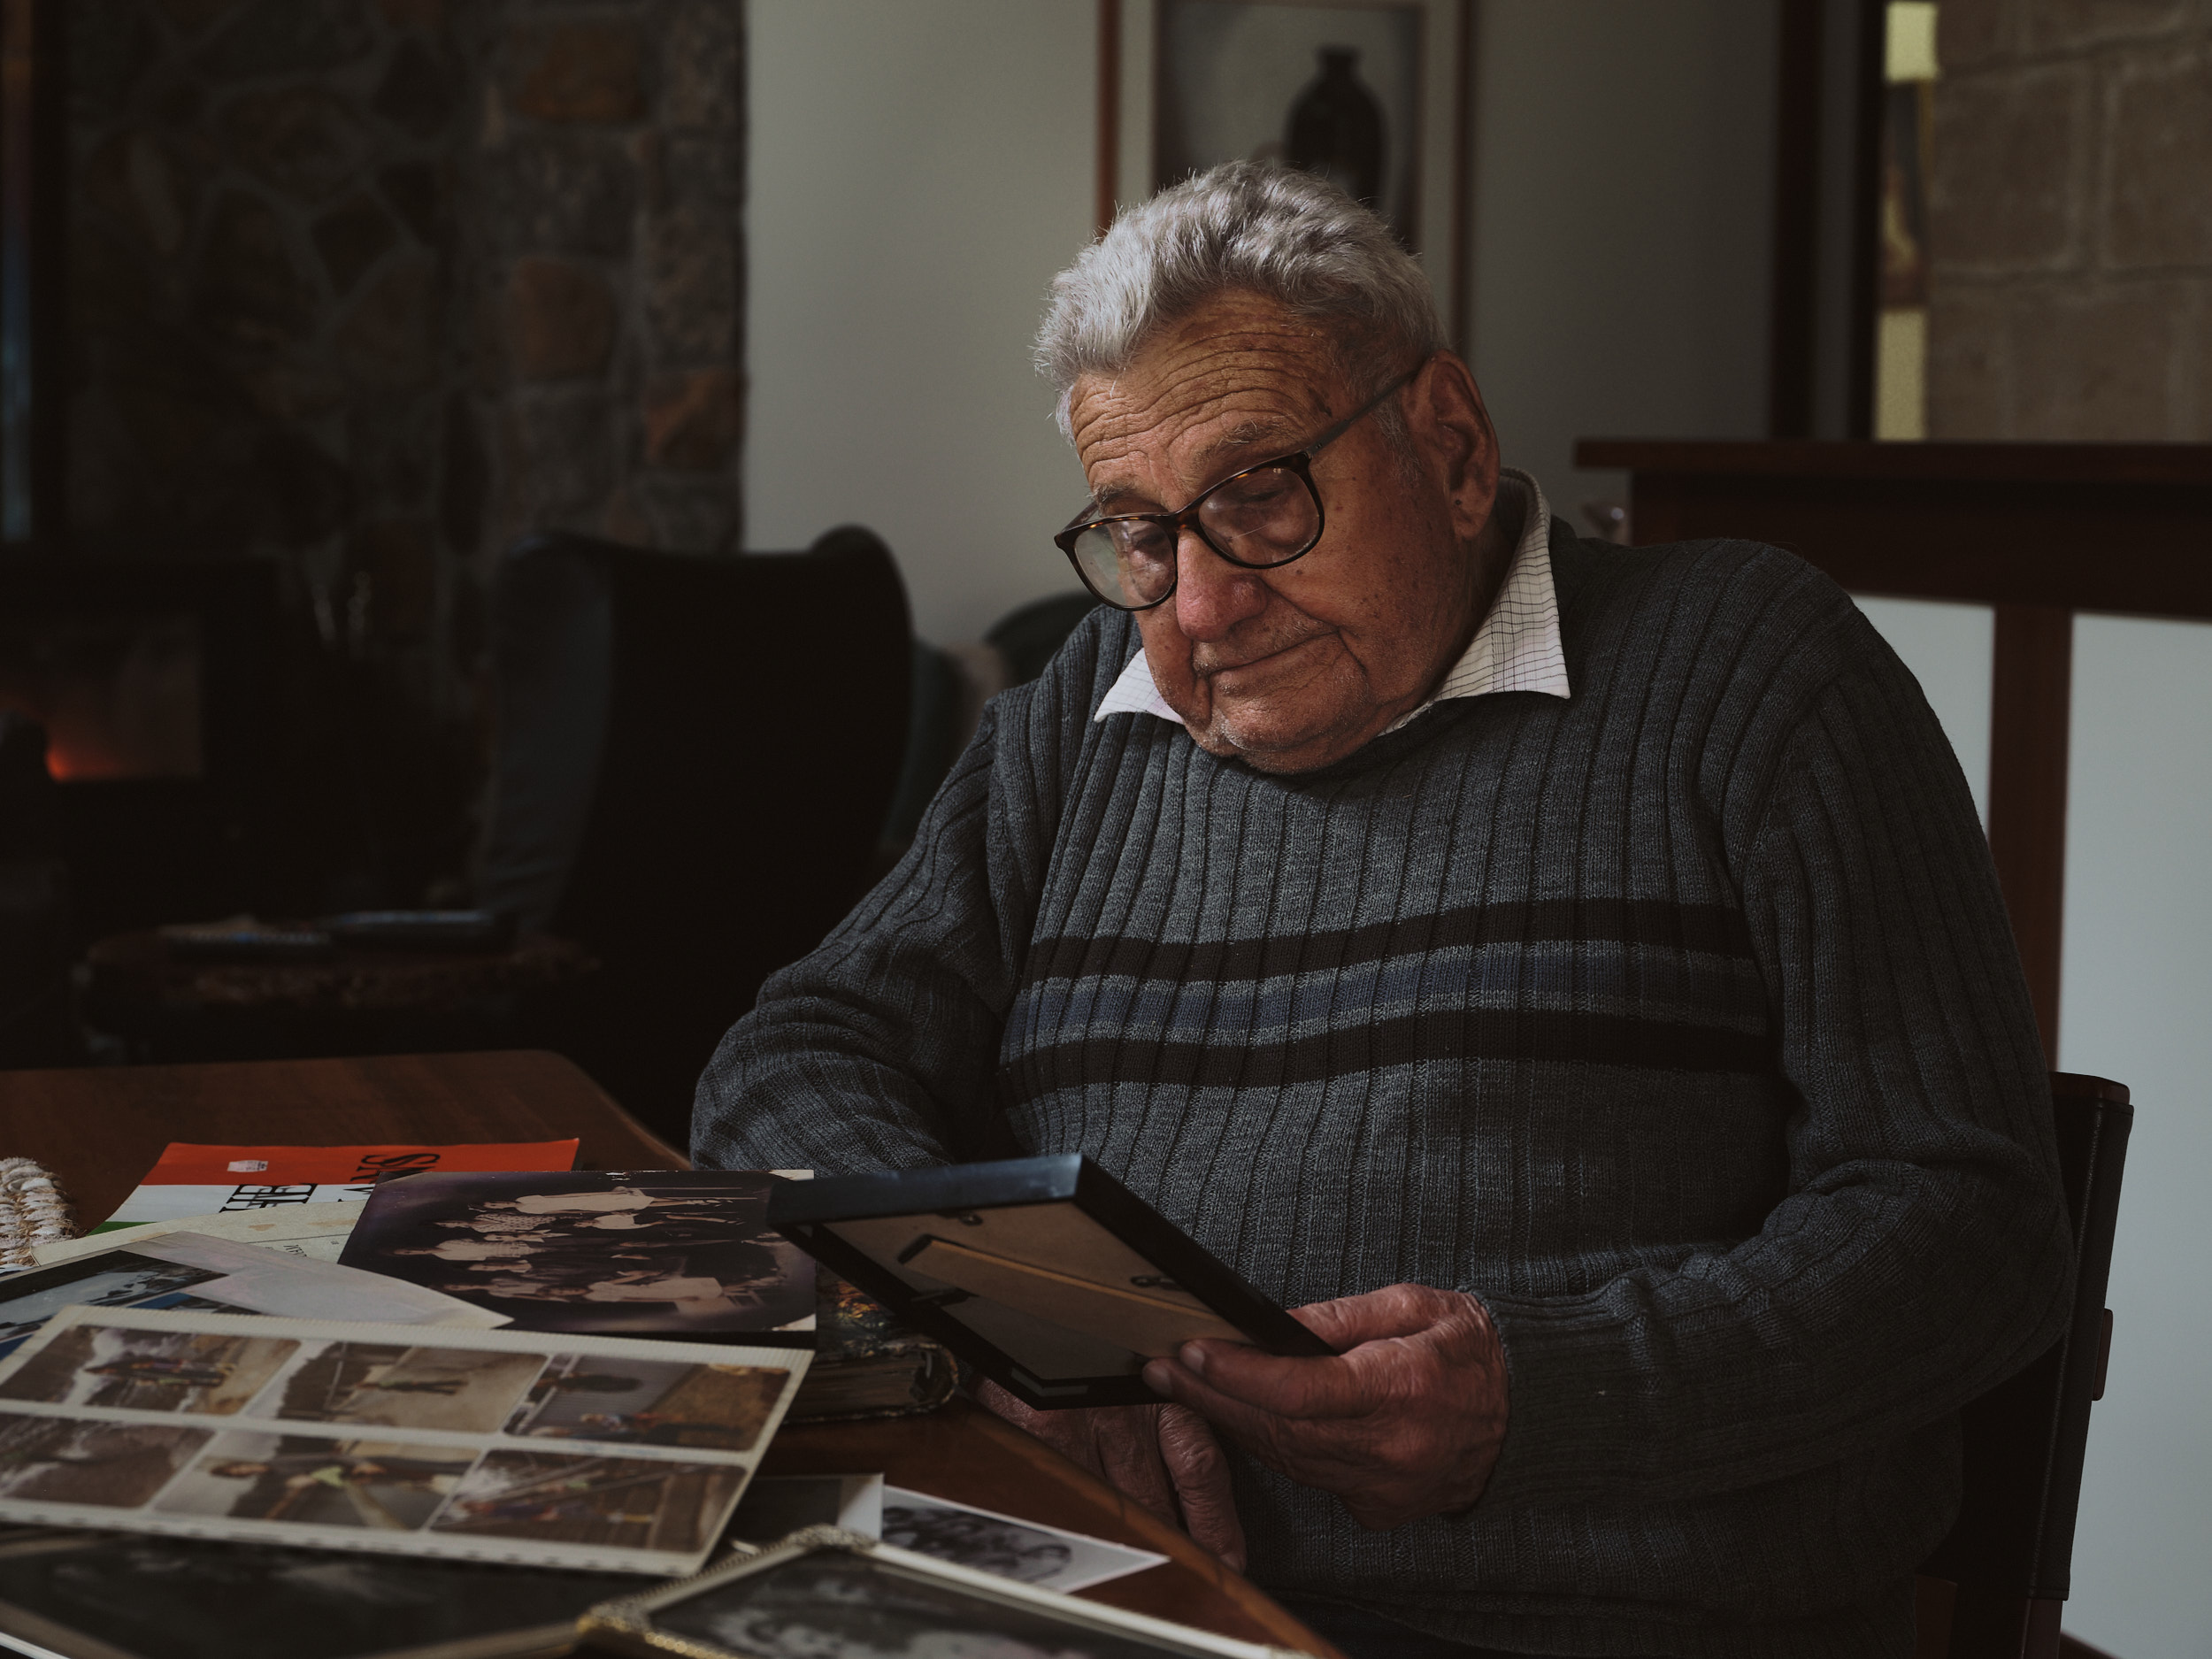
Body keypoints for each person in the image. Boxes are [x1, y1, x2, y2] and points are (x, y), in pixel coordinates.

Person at [692, 162, 2070, 1658]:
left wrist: (1541, 1396)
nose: (1201, 607)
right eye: (1143, 534)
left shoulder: (1749, 672)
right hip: (1092, 1595)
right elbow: (792, 1058)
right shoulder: (1084, 715)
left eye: (1258, 494)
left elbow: (1969, 1225)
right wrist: (1009, 1330)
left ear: (1456, 449)